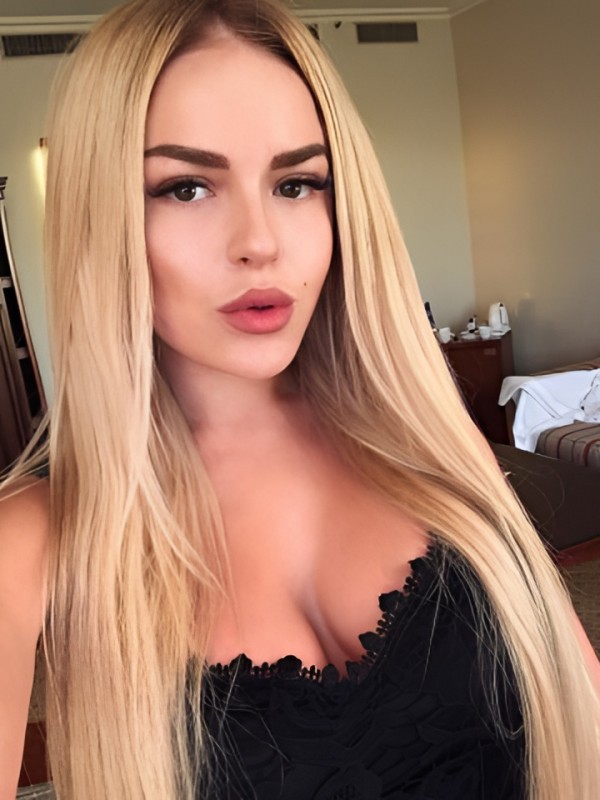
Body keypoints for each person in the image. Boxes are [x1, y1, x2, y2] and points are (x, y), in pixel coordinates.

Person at [1, 0, 599, 797]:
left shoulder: (429, 438)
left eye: (296, 183)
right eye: (185, 187)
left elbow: (584, 719)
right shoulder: (36, 541)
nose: (261, 241)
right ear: (98, 219)